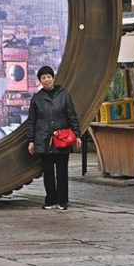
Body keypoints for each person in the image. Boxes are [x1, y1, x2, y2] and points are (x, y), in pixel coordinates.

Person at [26, 66, 82, 210]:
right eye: (43, 78)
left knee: (62, 171)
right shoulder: (37, 98)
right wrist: (31, 140)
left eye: (48, 76)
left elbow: (72, 116)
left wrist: (77, 135)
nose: (46, 80)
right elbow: (32, 121)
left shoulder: (64, 95)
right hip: (44, 140)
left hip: (62, 139)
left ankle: (63, 201)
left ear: (53, 78)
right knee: (48, 173)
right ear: (40, 81)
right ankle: (50, 200)